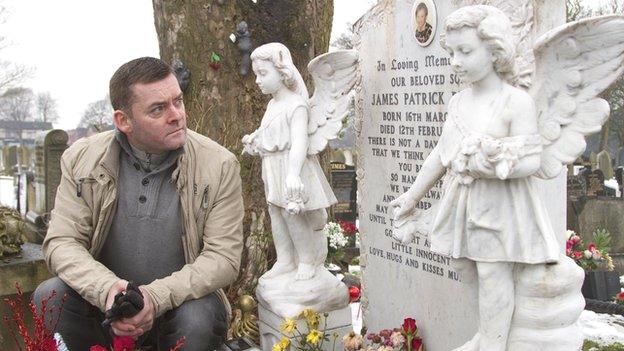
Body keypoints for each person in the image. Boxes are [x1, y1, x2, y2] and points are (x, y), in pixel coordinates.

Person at [33, 57, 244, 351]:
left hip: (179, 307)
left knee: (200, 316)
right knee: (50, 295)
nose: (177, 115)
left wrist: (154, 298)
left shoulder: (218, 165)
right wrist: (107, 291)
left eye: (178, 102)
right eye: (158, 109)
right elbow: (61, 242)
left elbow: (224, 258)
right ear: (124, 121)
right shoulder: (82, 160)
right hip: (103, 309)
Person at [391, 6, 558, 351]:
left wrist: (490, 158)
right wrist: (412, 196)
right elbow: (440, 153)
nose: (455, 60)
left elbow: (531, 159)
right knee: (465, 266)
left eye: (465, 51)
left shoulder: (516, 102)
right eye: (451, 51)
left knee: (493, 274)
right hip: (464, 202)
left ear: (495, 51)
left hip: (500, 206)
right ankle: (486, 331)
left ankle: (495, 342)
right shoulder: (458, 103)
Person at [242, 43, 336, 281]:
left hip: (292, 167)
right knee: (275, 211)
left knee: (293, 214)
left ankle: (306, 260)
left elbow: (299, 142)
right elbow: (271, 132)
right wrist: (256, 140)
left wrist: (293, 174)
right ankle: (285, 260)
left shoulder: (297, 105)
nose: (258, 81)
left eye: (263, 74)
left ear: (283, 72)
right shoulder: (273, 105)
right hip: (272, 166)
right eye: (256, 75)